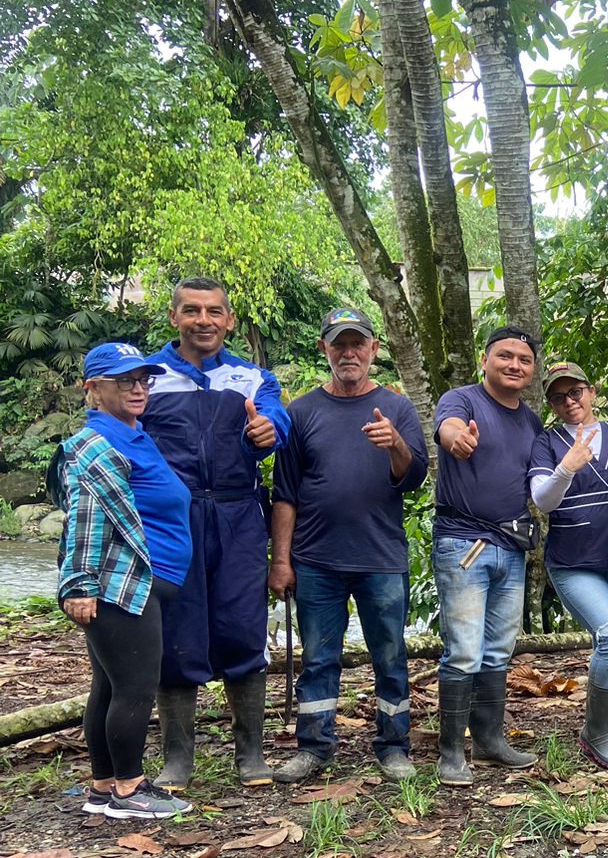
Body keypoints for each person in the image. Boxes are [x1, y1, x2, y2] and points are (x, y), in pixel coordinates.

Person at [269, 308, 430, 783]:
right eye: (339, 344)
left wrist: (395, 443)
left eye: (357, 343)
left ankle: (394, 745)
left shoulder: (396, 408)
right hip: (316, 558)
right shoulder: (301, 412)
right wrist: (281, 560)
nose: (349, 353)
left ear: (373, 349)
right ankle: (314, 746)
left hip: (380, 557)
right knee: (318, 658)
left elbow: (415, 478)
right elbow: (285, 493)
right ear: (324, 349)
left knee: (390, 655)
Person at [144, 278, 290, 790]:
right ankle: (177, 759)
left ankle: (251, 753)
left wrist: (267, 431)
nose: (202, 321)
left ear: (229, 320)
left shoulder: (252, 378)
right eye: (191, 311)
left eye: (213, 312)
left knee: (243, 626)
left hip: (237, 515)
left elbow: (276, 420)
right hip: (172, 519)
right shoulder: (148, 378)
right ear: (174, 317)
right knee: (176, 632)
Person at [58, 343, 194, 819]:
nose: (137, 389)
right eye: (123, 381)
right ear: (93, 389)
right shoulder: (97, 443)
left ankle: (103, 787)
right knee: (136, 686)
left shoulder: (134, 434)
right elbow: (85, 517)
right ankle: (130, 790)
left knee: (109, 685)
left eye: (142, 379)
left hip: (144, 582)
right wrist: (79, 584)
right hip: (123, 583)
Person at [431, 325, 544, 787]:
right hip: (464, 543)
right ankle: (451, 752)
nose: (515, 364)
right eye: (505, 356)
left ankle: (490, 739)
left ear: (532, 369)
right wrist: (456, 438)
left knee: (499, 648)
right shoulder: (462, 400)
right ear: (485, 360)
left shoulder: (532, 421)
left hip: (511, 546)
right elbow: (448, 428)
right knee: (463, 651)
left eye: (524, 359)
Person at [530, 361, 608, 770]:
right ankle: (596, 734)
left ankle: (599, 729)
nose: (569, 401)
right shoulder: (547, 442)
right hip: (572, 562)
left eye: (575, 392)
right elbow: (543, 500)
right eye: (558, 397)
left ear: (591, 392)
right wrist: (567, 467)